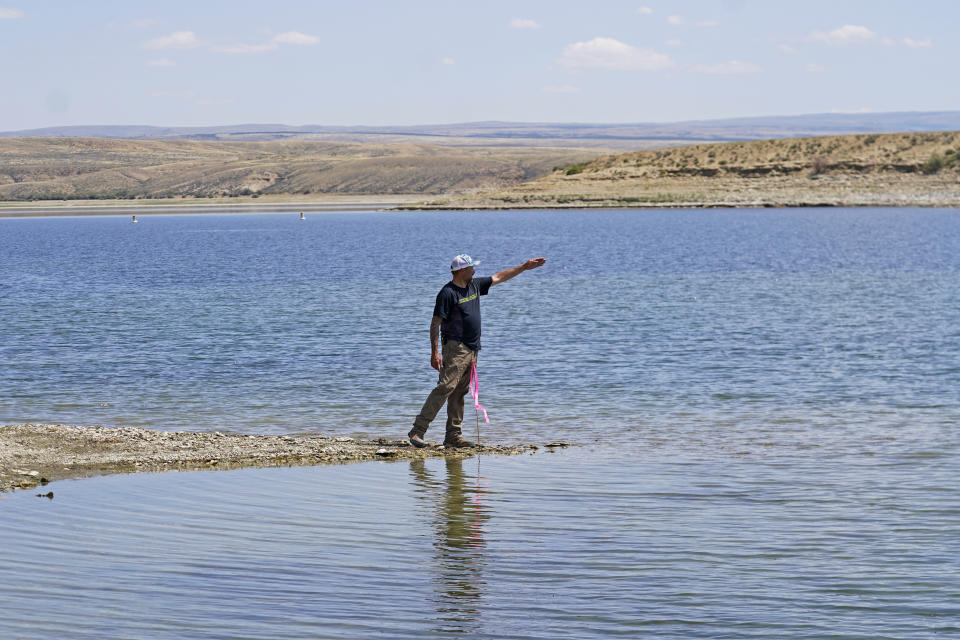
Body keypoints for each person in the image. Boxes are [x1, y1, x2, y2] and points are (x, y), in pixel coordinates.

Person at [410, 254, 547, 449]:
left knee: (460, 392)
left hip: (473, 349)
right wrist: (435, 352)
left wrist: (524, 267)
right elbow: (435, 323)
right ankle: (417, 431)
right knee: (445, 387)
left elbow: (499, 277)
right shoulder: (447, 293)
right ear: (461, 271)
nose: (474, 271)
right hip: (455, 348)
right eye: (471, 268)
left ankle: (453, 436)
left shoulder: (474, 285)